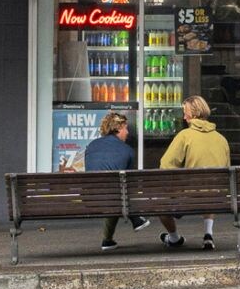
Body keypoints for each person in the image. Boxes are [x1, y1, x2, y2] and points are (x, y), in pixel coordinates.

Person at [158, 96, 232, 251]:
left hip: (190, 197)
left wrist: (177, 186)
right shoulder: (221, 139)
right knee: (210, 186)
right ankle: (208, 234)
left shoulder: (185, 135)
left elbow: (166, 164)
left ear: (192, 114)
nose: (184, 116)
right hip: (216, 198)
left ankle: (174, 238)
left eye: (185, 112)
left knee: (160, 201)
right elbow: (225, 169)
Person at [82, 112, 151, 252]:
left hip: (91, 197)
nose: (127, 133)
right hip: (114, 197)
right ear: (118, 128)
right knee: (119, 191)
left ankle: (108, 240)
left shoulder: (91, 146)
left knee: (113, 191)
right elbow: (130, 182)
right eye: (126, 128)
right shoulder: (127, 150)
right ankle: (135, 219)